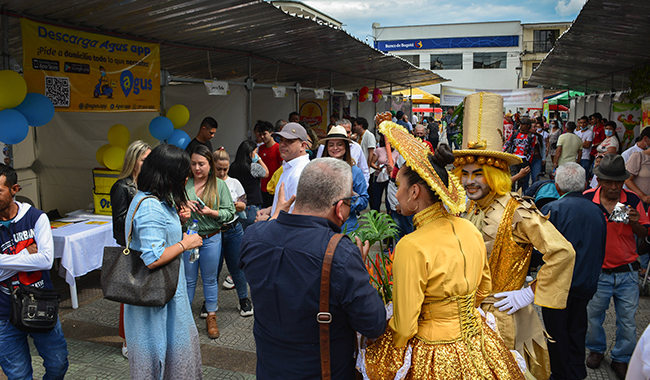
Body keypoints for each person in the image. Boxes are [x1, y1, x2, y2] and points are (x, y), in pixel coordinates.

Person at [360, 116, 524, 380]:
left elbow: (404, 326)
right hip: (479, 342)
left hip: (434, 351)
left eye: (399, 186)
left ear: (414, 192)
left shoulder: (411, 245)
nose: (396, 193)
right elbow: (484, 287)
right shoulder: (469, 228)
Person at [453, 92, 576, 380]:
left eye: (479, 173)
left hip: (504, 318)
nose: (470, 181)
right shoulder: (467, 208)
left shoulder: (517, 211)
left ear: (495, 174)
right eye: (466, 172)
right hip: (466, 315)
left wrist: (528, 293)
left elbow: (562, 252)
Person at [239, 158, 386, 379]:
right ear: (339, 208)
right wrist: (359, 270)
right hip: (322, 372)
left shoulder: (254, 236)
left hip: (269, 369)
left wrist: (272, 221)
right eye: (349, 203)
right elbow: (373, 324)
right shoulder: (340, 253)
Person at [123, 144, 203, 379]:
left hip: (165, 293)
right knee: (161, 357)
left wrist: (177, 220)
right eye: (183, 174)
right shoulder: (149, 206)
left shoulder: (155, 201)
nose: (186, 178)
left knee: (171, 356)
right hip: (155, 300)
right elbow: (153, 257)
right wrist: (185, 244)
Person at [583, 154, 650, 380]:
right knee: (593, 317)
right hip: (599, 272)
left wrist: (635, 222)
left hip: (628, 273)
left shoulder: (631, 200)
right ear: (599, 180)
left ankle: (622, 358)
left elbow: (645, 234)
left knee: (628, 321)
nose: (614, 187)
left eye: (618, 182)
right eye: (609, 182)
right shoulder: (586, 199)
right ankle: (596, 350)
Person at [539, 163, 607, 380]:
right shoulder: (597, 211)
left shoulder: (553, 210)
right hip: (586, 284)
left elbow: (539, 250)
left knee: (557, 334)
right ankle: (576, 372)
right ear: (585, 184)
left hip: (559, 286)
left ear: (557, 186)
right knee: (577, 330)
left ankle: (560, 374)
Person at [0, 164, 69, 379]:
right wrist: (26, 254)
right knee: (18, 375)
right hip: (3, 314)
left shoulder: (37, 218)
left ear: (14, 189)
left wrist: (6, 262)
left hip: (41, 304)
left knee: (58, 365)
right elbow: (36, 260)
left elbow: (46, 260)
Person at [184, 145, 235, 338]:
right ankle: (185, 318)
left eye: (202, 164)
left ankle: (211, 315)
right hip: (189, 237)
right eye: (193, 164)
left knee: (210, 279)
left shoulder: (219, 185)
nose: (197, 168)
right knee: (188, 279)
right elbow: (173, 206)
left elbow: (229, 212)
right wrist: (182, 208)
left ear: (210, 165)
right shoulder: (184, 183)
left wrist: (210, 212)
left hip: (211, 237)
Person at [109, 140, 151, 358]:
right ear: (133, 160)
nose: (147, 164)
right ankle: (127, 339)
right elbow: (118, 224)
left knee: (144, 294)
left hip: (147, 246)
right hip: (131, 248)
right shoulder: (122, 186)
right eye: (144, 159)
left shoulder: (149, 185)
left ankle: (142, 336)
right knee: (129, 296)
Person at [213, 148, 253, 317]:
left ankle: (243, 299)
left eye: (225, 169)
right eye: (219, 169)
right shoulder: (207, 183)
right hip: (213, 231)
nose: (222, 172)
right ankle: (210, 303)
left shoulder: (234, 182)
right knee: (212, 270)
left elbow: (244, 201)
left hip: (234, 229)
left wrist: (240, 205)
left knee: (237, 266)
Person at [256, 122, 311, 222]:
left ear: (303, 146)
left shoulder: (300, 173)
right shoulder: (289, 166)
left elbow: (296, 218)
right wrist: (271, 209)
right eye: (281, 140)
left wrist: (268, 219)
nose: (283, 144)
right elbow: (286, 205)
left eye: (289, 141)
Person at [321, 126, 369, 232]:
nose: (335, 148)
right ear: (327, 148)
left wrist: (350, 199)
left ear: (346, 147)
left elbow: (364, 200)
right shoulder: (319, 170)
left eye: (339, 144)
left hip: (347, 227)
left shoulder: (355, 171)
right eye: (331, 145)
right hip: (322, 226)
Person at [229, 140, 269, 230]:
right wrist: (259, 159)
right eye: (255, 152)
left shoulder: (232, 167)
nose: (256, 154)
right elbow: (266, 173)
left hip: (238, 206)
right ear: (250, 153)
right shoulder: (253, 167)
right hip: (252, 205)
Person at [318, 119, 370, 184]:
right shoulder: (322, 148)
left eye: (347, 132)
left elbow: (364, 170)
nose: (335, 148)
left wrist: (362, 187)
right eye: (331, 145)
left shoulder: (357, 148)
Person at [254, 120, 282, 208]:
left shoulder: (278, 148)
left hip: (274, 187)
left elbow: (282, 167)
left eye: (264, 134)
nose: (262, 137)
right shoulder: (260, 148)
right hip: (262, 186)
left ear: (271, 133)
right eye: (260, 134)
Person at [504, 116, 536, 191]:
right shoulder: (515, 133)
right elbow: (507, 144)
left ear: (528, 126)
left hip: (524, 160)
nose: (521, 126)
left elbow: (531, 150)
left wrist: (529, 162)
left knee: (522, 182)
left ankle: (519, 196)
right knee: (512, 178)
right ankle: (510, 195)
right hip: (514, 159)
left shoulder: (531, 136)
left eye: (523, 124)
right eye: (520, 124)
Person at [369, 133, 398, 212]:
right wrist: (378, 168)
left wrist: (392, 169)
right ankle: (376, 219)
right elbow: (371, 163)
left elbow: (398, 167)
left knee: (389, 201)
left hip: (390, 178)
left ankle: (390, 221)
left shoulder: (396, 153)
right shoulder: (379, 150)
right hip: (379, 177)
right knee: (376, 200)